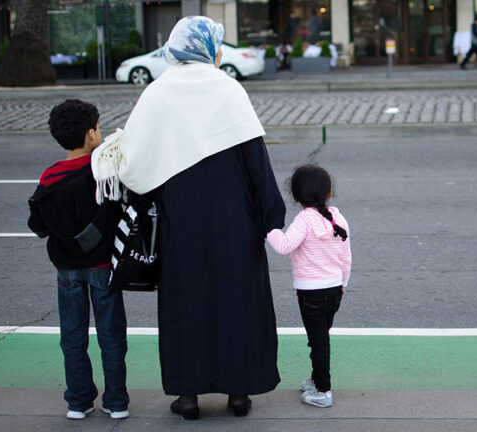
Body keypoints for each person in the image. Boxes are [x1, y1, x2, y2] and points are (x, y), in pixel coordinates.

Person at [91, 16, 286, 420]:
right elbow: (256, 160)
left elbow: (135, 166)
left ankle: (188, 396)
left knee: (186, 307)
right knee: (238, 304)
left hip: (180, 222)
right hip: (236, 222)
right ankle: (238, 393)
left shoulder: (158, 93)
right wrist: (270, 216)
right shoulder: (228, 89)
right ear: (209, 49)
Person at [28, 99, 129, 420]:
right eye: (98, 127)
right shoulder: (103, 173)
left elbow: (38, 225)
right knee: (112, 336)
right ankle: (116, 402)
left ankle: (78, 401)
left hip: (66, 269)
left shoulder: (49, 177)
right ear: (91, 134)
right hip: (103, 267)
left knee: (72, 336)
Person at [266, 164, 352, 408]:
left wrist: (269, 229)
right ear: (329, 192)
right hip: (335, 289)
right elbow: (346, 255)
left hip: (310, 293)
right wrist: (343, 282)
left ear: (296, 196)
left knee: (318, 342)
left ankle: (323, 391)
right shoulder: (338, 217)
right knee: (321, 338)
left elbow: (283, 245)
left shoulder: (304, 220)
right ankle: (316, 379)